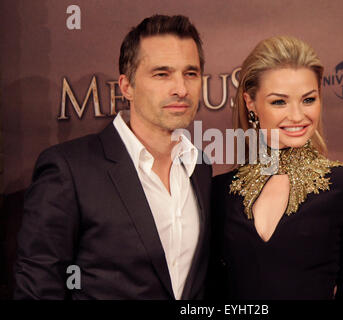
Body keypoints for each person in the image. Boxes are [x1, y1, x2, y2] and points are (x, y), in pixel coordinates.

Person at [14, 15, 212, 300]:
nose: (181, 88)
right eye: (162, 74)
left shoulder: (200, 167)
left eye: (190, 73)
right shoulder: (69, 170)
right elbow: (38, 289)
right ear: (126, 86)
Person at [208, 36, 343, 299]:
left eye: (308, 100)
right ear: (250, 103)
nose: (298, 116)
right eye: (279, 102)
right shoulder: (220, 192)